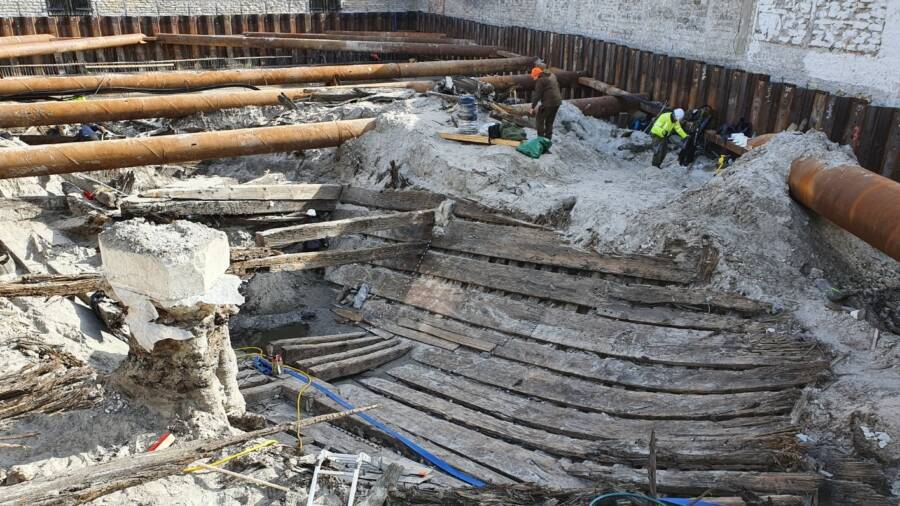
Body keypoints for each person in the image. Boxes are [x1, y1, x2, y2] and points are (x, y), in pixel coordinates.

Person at [530, 67, 562, 140]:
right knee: (549, 122)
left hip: (548, 103)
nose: (533, 78)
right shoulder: (551, 76)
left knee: (539, 119)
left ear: (537, 75)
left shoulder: (540, 81)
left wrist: (532, 107)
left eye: (533, 76)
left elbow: (537, 95)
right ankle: (547, 141)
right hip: (557, 103)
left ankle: (540, 140)